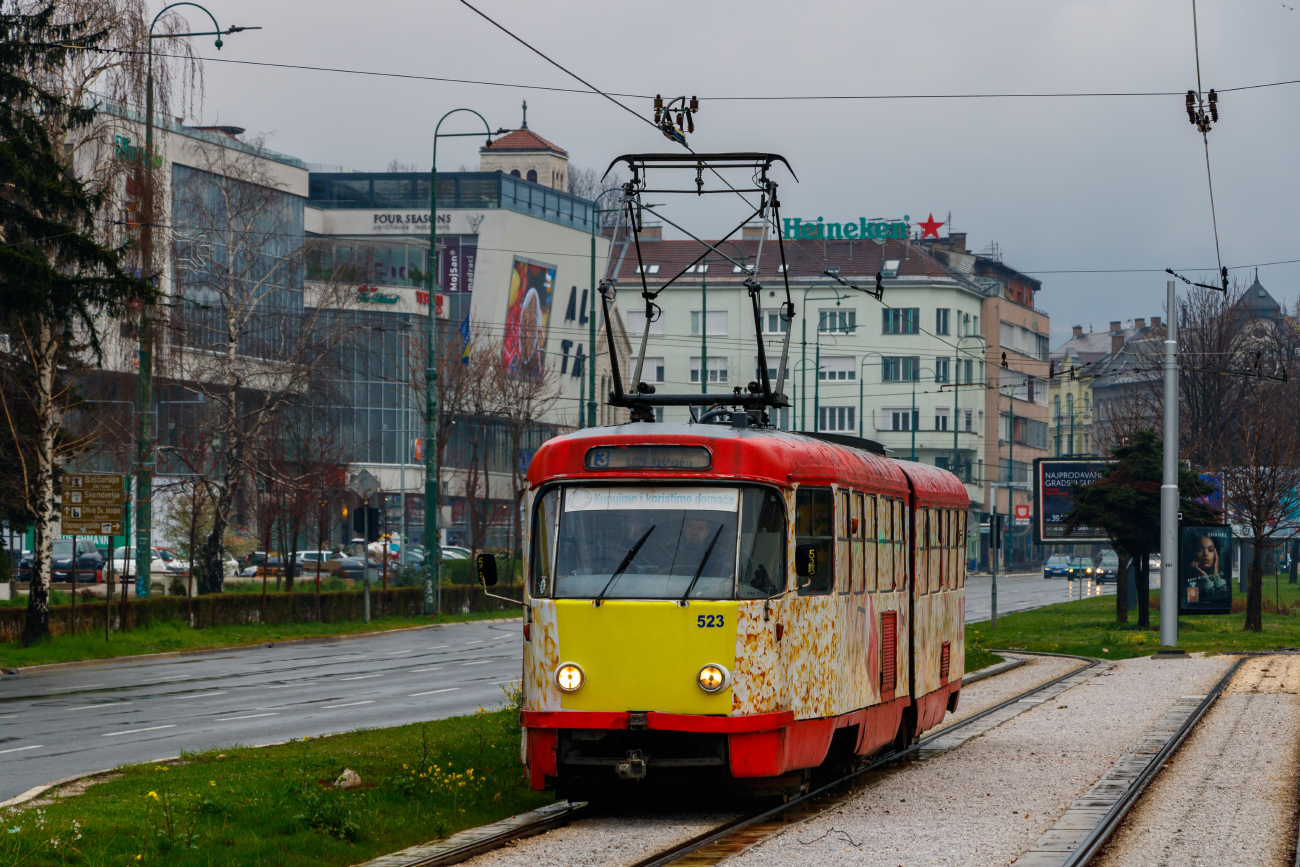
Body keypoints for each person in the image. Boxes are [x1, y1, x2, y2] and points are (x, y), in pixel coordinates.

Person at [1187, 534, 1228, 600]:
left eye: (1211, 550)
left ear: (1216, 554)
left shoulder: (1223, 576)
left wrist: (1215, 575)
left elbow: (1222, 601)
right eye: (1200, 550)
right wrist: (1204, 577)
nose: (1206, 554)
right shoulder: (1189, 581)